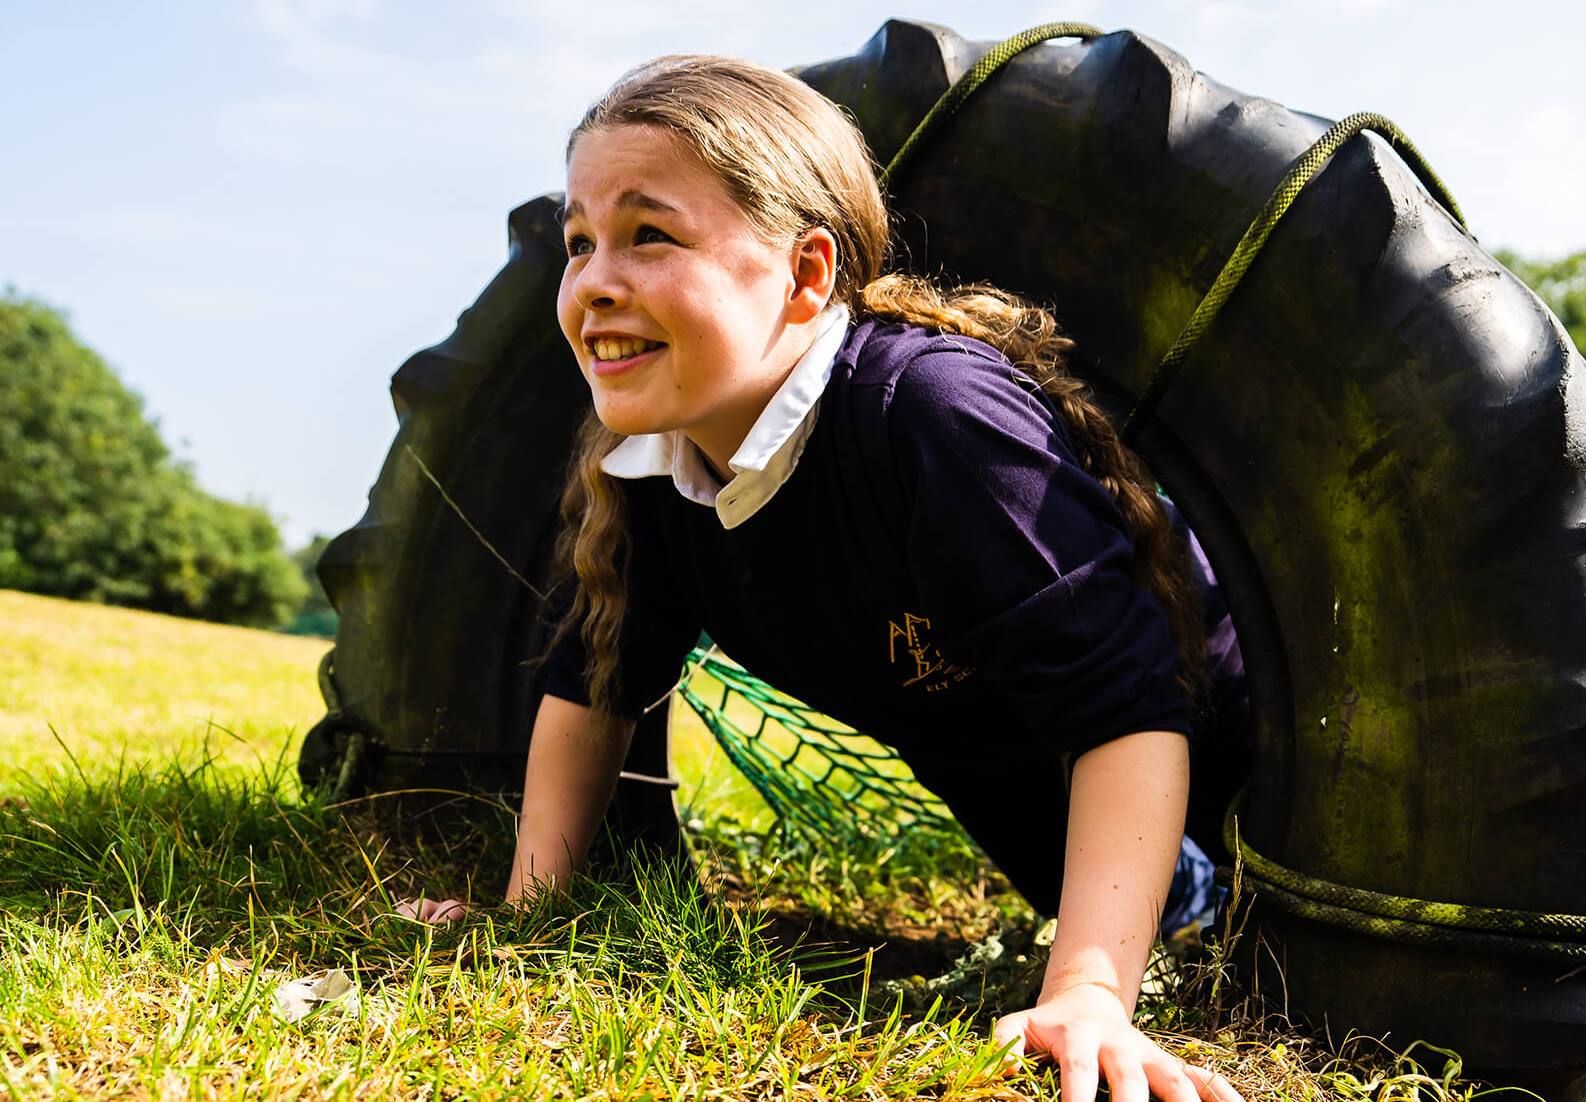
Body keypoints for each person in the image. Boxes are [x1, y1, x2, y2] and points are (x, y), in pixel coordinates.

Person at [400, 54, 1253, 1102]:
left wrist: (1086, 988)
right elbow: (596, 685)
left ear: (806, 277)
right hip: (1072, 846)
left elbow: (1125, 704)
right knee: (1176, 916)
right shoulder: (654, 472)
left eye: (648, 233)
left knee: (1260, 951)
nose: (593, 280)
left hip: (1248, 787)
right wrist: (532, 909)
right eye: (580, 241)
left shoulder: (930, 415)